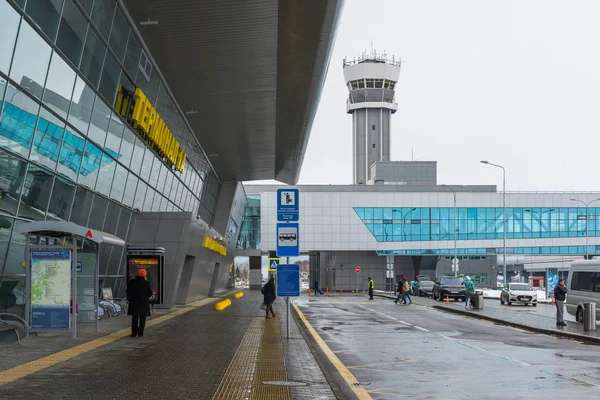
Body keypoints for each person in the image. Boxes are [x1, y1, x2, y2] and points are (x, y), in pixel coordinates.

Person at [127, 269, 153, 338]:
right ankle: (140, 333)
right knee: (142, 319)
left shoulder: (132, 282)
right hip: (143, 303)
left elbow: (128, 291)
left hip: (134, 303)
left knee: (134, 318)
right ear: (144, 275)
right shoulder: (146, 283)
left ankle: (134, 333)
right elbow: (150, 293)